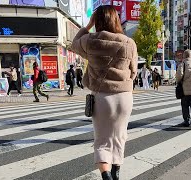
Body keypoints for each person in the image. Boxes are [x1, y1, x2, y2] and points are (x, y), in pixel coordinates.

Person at [71, 6, 137, 180]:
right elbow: (133, 71)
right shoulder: (129, 43)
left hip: (102, 97)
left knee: (102, 141)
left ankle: (106, 177)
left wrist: (88, 24)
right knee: (120, 136)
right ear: (116, 20)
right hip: (124, 97)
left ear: (97, 21)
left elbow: (73, 44)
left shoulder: (90, 41)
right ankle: (116, 174)